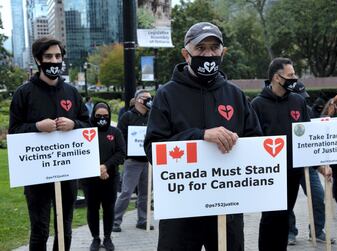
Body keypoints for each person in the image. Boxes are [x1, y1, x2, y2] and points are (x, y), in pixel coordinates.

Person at [144, 22, 262, 251]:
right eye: (200, 48)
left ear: (223, 53)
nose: (208, 54)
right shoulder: (166, 94)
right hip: (180, 211)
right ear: (185, 54)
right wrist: (200, 136)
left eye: (214, 48)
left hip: (226, 208)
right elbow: (153, 149)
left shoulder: (235, 95)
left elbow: (255, 145)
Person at [8, 36, 89, 251]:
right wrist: (36, 127)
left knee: (65, 228)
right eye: (48, 56)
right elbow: (14, 131)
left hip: (67, 171)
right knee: (40, 230)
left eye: (58, 56)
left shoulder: (71, 92)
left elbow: (87, 125)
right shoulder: (23, 94)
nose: (54, 61)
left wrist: (74, 123)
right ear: (38, 60)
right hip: (36, 174)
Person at [250, 57, 311, 251]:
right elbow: (252, 139)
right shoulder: (258, 104)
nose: (295, 78)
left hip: (293, 172)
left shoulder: (298, 101)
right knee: (270, 217)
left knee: (285, 215)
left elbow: (308, 135)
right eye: (291, 75)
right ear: (277, 77)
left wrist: (320, 164)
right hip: (269, 175)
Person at [287, 81, 334, 245]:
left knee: (318, 196)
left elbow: (314, 140)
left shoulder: (306, 111)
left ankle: (317, 230)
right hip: (286, 165)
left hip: (307, 164)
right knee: (286, 202)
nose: (302, 100)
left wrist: (321, 165)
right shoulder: (276, 108)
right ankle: (289, 232)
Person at [82, 102, 126, 251]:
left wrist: (105, 166)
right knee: (92, 209)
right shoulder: (86, 132)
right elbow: (80, 153)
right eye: (98, 116)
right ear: (93, 115)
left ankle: (108, 238)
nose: (102, 118)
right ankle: (95, 238)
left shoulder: (115, 132)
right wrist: (97, 169)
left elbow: (121, 153)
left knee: (109, 208)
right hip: (90, 180)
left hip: (110, 178)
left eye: (106, 116)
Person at [112, 89, 153, 232]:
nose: (149, 100)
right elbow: (119, 136)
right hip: (132, 161)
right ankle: (114, 222)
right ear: (137, 100)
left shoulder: (152, 116)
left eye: (150, 97)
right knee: (126, 192)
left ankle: (143, 220)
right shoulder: (127, 117)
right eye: (146, 98)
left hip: (148, 161)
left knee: (145, 193)